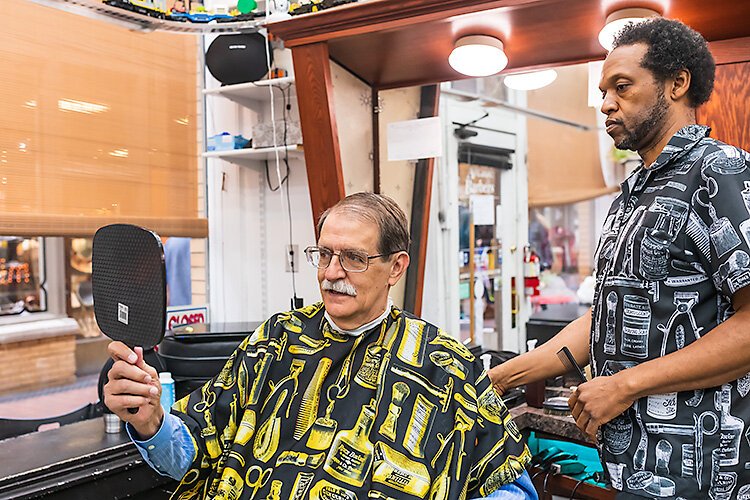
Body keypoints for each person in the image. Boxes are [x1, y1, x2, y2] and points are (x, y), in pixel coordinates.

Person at [104, 192, 535, 499]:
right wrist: (151, 421)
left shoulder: (444, 363)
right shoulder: (275, 341)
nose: (331, 273)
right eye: (324, 255)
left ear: (396, 267)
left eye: (353, 258)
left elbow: (510, 488)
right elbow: (191, 454)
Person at [490, 17, 750, 498]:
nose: (606, 103)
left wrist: (624, 384)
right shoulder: (630, 196)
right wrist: (500, 377)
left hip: (704, 476)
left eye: (622, 87)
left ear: (677, 83)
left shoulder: (721, 173)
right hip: (629, 467)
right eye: (603, 91)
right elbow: (607, 318)